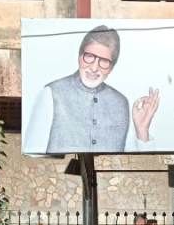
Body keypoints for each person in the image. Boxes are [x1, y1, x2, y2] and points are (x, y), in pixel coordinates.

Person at [23, 25, 161, 153]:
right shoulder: (51, 93)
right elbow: (32, 154)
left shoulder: (121, 103)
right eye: (89, 57)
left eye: (104, 61)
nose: (94, 68)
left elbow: (134, 166)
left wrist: (142, 130)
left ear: (111, 68)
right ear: (79, 56)